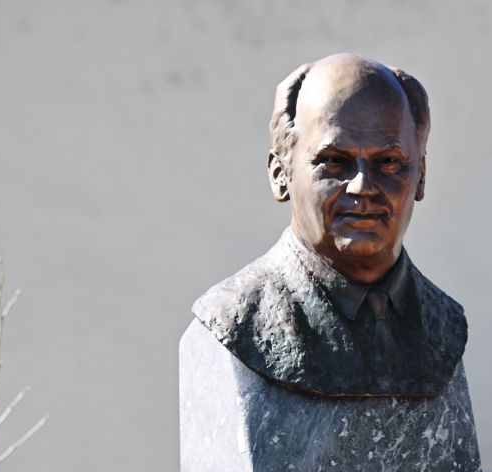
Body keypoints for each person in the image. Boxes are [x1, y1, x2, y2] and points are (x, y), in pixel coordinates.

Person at [191, 53, 467, 399]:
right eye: (334, 162)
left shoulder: (444, 325)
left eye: (389, 162)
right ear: (281, 174)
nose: (363, 186)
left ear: (421, 176)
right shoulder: (235, 319)